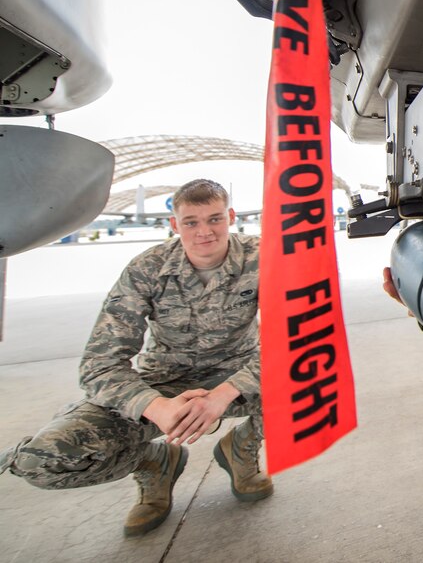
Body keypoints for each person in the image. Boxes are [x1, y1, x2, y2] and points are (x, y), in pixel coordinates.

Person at [0, 179, 272, 537]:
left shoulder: (265, 257)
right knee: (43, 461)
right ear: (174, 225)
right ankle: (153, 462)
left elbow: (296, 339)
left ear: (231, 217)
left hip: (237, 376)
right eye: (191, 222)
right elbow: (99, 364)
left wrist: (224, 393)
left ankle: (241, 447)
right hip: (162, 383)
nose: (204, 231)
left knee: (313, 382)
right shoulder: (147, 269)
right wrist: (154, 406)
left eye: (214, 219)